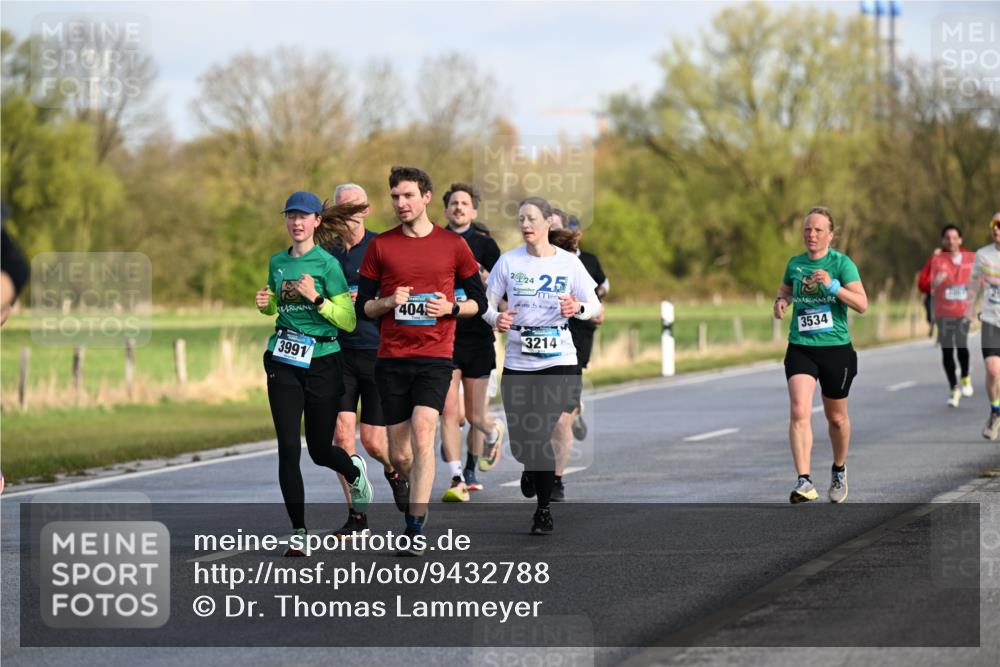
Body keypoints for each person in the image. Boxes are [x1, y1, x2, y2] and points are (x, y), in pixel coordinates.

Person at [356, 167, 486, 555]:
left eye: (408, 196)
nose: (400, 204)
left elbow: (478, 303)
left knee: (425, 430)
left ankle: (414, 526)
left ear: (427, 197)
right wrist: (387, 303)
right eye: (395, 197)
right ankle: (410, 483)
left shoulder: (453, 246)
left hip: (435, 355)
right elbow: (364, 307)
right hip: (391, 358)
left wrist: (452, 306)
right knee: (399, 453)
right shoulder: (381, 247)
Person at [257, 191, 373, 556]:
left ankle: (354, 474)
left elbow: (349, 320)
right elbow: (278, 305)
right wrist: (267, 304)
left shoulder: (327, 265)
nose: (296, 222)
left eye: (303, 216)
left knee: (321, 450)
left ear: (316, 222)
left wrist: (317, 298)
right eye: (291, 216)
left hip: (323, 360)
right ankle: (299, 532)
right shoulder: (277, 261)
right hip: (284, 360)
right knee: (288, 448)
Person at [483, 197, 602, 534]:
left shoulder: (568, 263)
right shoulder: (508, 262)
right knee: (523, 442)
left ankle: (543, 510)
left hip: (559, 360)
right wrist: (497, 318)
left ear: (549, 222)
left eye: (532, 218)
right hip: (519, 361)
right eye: (521, 219)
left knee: (541, 432)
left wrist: (575, 308)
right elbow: (486, 305)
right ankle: (531, 467)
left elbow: (593, 306)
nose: (525, 225)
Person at [322, 183, 409, 539]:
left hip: (377, 352)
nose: (348, 218)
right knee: (342, 437)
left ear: (366, 211)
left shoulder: (382, 247)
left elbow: (402, 293)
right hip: (336, 354)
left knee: (373, 442)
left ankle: (393, 471)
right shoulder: (323, 254)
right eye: (341, 211)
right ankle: (357, 514)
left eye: (354, 210)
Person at [774, 207, 868, 504]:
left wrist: (833, 285)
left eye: (817, 230)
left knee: (836, 418)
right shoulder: (795, 264)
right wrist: (781, 302)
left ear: (830, 234)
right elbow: (785, 291)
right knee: (799, 410)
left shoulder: (842, 264)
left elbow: (862, 304)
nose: (811, 235)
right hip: (801, 346)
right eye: (807, 230)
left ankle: (839, 470)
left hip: (836, 349)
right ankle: (804, 481)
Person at [438, 183, 505, 502]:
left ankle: (486, 443)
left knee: (476, 416)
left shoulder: (486, 244)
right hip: (444, 335)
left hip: (478, 335)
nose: (459, 207)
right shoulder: (434, 241)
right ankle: (457, 478)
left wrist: (482, 275)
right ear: (446, 208)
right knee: (448, 412)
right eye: (453, 203)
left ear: (473, 210)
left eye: (464, 203)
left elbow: (503, 290)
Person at [546, 217, 607, 501]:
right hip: (537, 352)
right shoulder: (530, 264)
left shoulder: (587, 262)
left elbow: (599, 296)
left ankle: (556, 479)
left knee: (560, 420)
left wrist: (593, 307)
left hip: (576, 340)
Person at [917, 225, 976, 407]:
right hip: (943, 312)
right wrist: (935, 282)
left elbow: (981, 280)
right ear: (943, 240)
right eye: (947, 238)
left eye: (954, 237)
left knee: (961, 345)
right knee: (947, 351)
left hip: (963, 311)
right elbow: (922, 284)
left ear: (960, 240)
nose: (951, 241)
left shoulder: (970, 258)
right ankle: (954, 387)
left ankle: (965, 376)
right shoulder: (936, 259)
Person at [964, 212, 1000, 440]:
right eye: (993, 225)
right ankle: (995, 411)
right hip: (990, 320)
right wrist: (968, 310)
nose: (996, 228)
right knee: (993, 370)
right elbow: (973, 284)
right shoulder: (983, 255)